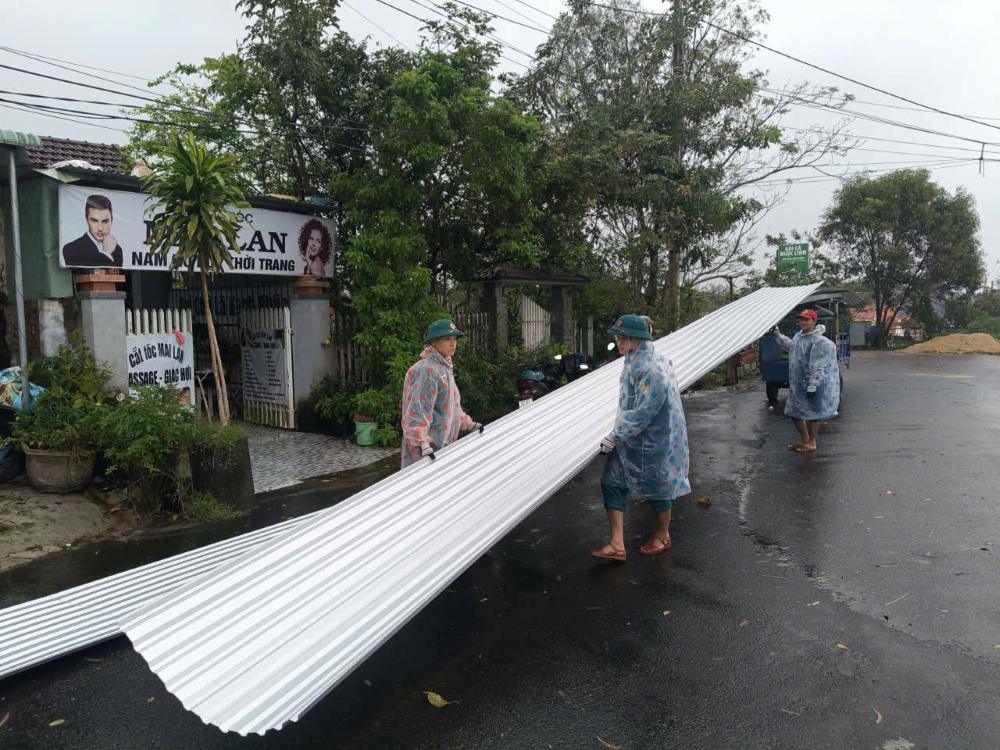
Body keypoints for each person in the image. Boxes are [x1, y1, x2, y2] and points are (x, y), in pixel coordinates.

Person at [592, 314, 690, 561]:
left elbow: (645, 410)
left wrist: (616, 433)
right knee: (612, 481)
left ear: (638, 338)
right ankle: (616, 544)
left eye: (624, 338)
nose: (620, 343)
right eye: (618, 337)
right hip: (631, 438)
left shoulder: (652, 368)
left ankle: (662, 534)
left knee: (659, 488)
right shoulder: (633, 359)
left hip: (656, 440)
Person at [400, 319, 482, 468]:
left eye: (454, 339)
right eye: (447, 339)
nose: (453, 343)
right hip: (427, 452)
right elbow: (417, 411)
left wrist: (466, 423)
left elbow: (451, 405)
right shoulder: (426, 370)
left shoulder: (444, 368)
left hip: (443, 446)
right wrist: (422, 443)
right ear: (433, 342)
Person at [772, 309, 840, 454]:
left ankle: (812, 442)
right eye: (801, 319)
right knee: (794, 412)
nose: (803, 322)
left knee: (813, 413)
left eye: (807, 320)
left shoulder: (819, 341)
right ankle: (805, 440)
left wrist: (813, 384)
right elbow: (791, 347)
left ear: (814, 322)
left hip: (811, 384)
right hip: (797, 383)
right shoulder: (799, 337)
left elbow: (819, 364)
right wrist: (777, 334)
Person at [61, 194, 123, 267]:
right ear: (87, 220)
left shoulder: (117, 249)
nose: (100, 228)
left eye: (105, 221)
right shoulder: (71, 249)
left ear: (111, 221)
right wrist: (106, 253)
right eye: (94, 221)